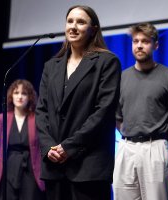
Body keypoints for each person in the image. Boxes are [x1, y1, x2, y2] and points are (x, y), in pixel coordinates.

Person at [35, 5, 121, 200]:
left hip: (88, 165)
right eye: (70, 21)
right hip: (54, 165)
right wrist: (49, 147)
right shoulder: (51, 65)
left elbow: (103, 112)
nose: (73, 26)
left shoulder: (107, 62)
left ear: (93, 29)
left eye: (81, 22)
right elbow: (41, 111)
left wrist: (69, 147)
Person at [112, 22, 168, 200]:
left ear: (156, 45)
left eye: (145, 41)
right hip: (126, 147)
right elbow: (117, 118)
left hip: (155, 146)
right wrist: (132, 137)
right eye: (135, 41)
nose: (139, 45)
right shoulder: (121, 77)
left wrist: (161, 141)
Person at [0, 79, 45, 200]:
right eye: (16, 93)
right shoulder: (2, 119)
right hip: (8, 168)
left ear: (30, 97)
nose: (20, 96)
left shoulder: (37, 119)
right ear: (11, 95)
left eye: (24, 93)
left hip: (30, 169)